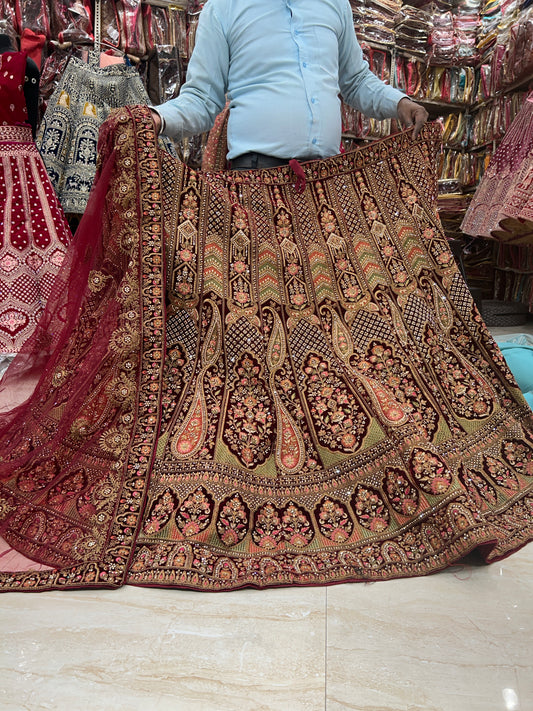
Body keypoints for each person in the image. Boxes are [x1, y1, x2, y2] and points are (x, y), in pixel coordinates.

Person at [149, 0, 428, 167]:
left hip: (326, 174)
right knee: (261, 266)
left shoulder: (334, 5)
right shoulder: (224, 8)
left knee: (323, 267)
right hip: (256, 173)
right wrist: (158, 119)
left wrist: (399, 103)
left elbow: (355, 80)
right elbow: (202, 99)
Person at [0, 35, 71, 369]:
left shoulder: (26, 65)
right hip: (21, 161)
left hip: (20, 163)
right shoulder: (24, 65)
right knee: (30, 239)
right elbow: (35, 120)